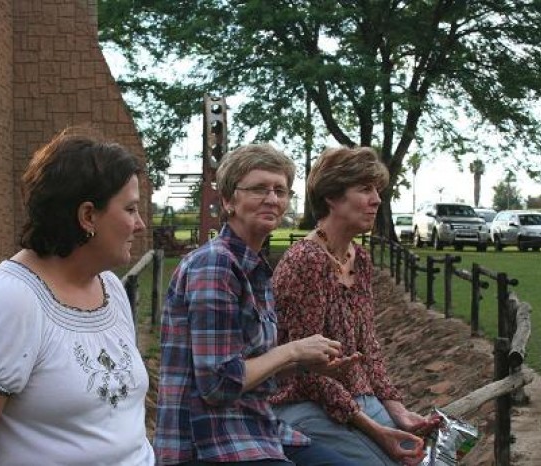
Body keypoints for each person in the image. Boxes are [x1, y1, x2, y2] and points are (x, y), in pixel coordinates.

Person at [0, 127, 155, 465]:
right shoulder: (8, 301)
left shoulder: (110, 288)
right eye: (131, 209)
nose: (140, 224)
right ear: (88, 216)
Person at [154, 144, 357, 466]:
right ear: (228, 201)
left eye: (280, 190)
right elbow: (218, 384)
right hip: (209, 443)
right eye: (259, 189)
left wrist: (306, 364)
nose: (272, 199)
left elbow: (248, 364)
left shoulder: (253, 267)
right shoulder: (215, 265)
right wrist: (293, 351)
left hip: (259, 428)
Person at [270, 146, 438, 466]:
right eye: (365, 189)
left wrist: (397, 410)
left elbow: (368, 345)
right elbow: (309, 371)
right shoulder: (307, 261)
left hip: (357, 399)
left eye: (377, 190)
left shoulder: (359, 259)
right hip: (304, 402)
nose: (377, 200)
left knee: (426, 460)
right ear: (332, 197)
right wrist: (377, 430)